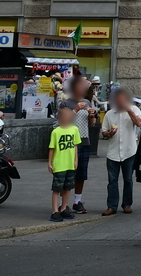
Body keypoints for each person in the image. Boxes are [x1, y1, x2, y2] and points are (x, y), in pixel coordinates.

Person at [101, 86, 141, 216]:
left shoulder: (134, 109)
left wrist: (128, 109)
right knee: (112, 180)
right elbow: (104, 133)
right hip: (113, 152)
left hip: (129, 150)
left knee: (128, 179)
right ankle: (111, 206)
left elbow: (139, 123)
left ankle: (127, 204)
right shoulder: (109, 114)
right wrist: (109, 133)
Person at [58, 75, 94, 214]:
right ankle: (62, 203)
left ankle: (77, 201)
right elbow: (63, 122)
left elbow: (91, 124)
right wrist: (76, 109)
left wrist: (92, 116)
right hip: (70, 142)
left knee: (81, 173)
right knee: (68, 173)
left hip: (84, 140)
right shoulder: (65, 104)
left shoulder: (87, 102)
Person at [48, 105, 81, 222]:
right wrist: (50, 163)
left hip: (70, 164)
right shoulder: (56, 132)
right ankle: (55, 211)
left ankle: (63, 208)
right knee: (57, 188)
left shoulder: (74, 130)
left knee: (68, 187)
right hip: (59, 164)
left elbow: (75, 145)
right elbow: (51, 148)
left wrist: (76, 160)